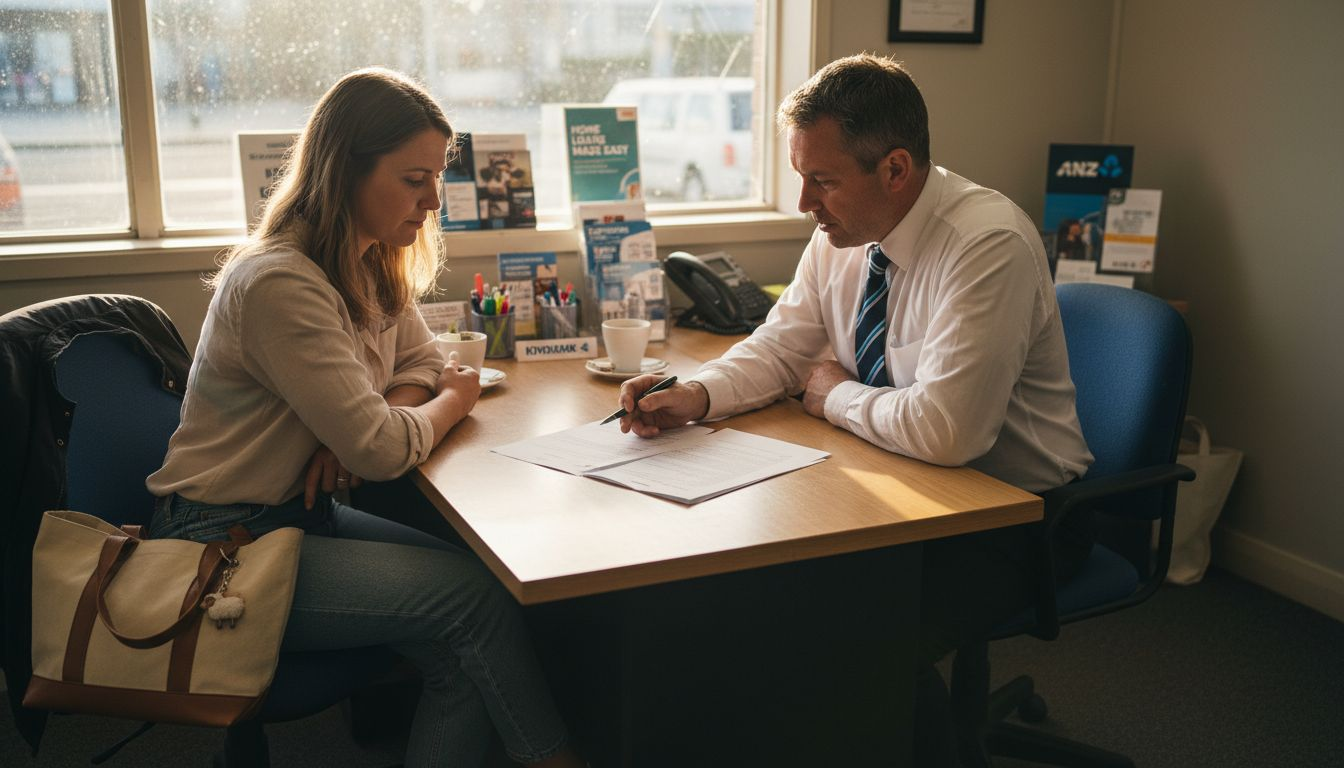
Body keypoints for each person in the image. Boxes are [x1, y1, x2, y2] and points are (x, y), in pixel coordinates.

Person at [616, 54, 1095, 766]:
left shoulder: (984, 244)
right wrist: (699, 394)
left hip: (1015, 519)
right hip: (899, 492)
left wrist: (831, 393)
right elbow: (783, 346)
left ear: (895, 169)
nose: (806, 202)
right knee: (746, 593)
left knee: (847, 639)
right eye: (800, 176)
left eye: (822, 180)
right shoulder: (841, 235)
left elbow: (948, 431)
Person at [146, 68, 583, 768]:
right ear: (346, 171)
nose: (434, 200)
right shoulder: (280, 282)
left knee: (471, 626)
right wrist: (450, 402)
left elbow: (422, 361)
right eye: (415, 179)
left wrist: (384, 413)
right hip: (224, 543)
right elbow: (387, 444)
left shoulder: (369, 259)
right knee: (474, 607)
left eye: (436, 177)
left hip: (300, 515)